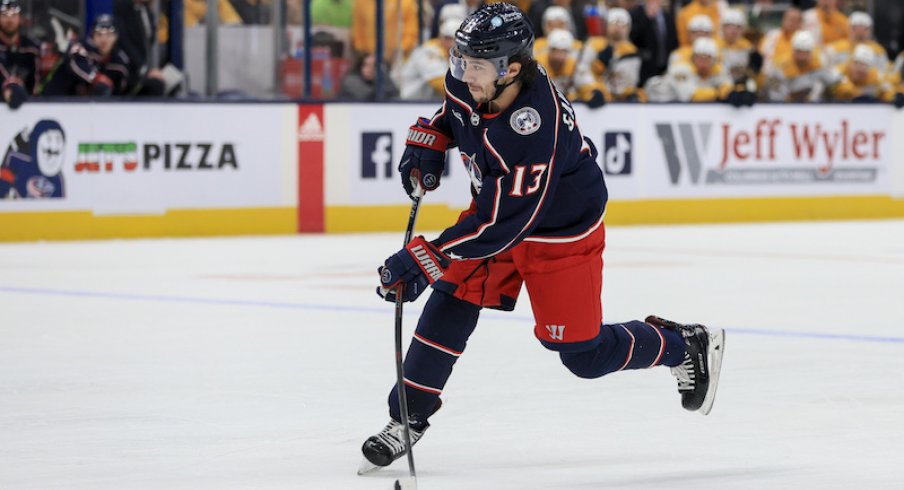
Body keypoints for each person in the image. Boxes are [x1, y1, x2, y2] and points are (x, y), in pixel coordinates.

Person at [358, 3, 725, 474]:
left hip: (558, 231)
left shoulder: (532, 127)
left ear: (511, 69)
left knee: (583, 356)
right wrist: (427, 139)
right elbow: (454, 113)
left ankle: (680, 344)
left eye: (475, 66)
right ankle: (407, 418)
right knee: (451, 298)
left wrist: (427, 256)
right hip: (498, 212)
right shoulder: (472, 77)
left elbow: (503, 224)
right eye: (461, 60)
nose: (463, 74)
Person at [762, 30, 841, 102]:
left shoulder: (819, 62)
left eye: (805, 52)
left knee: (819, 87)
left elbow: (836, 81)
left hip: (813, 106)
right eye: (799, 51)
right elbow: (775, 95)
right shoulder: (781, 66)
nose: (802, 56)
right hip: (786, 104)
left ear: (811, 52)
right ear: (793, 50)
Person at [536, 28, 608, 107]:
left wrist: (593, 92)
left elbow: (585, 82)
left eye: (563, 52)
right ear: (549, 50)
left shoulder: (574, 65)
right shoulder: (538, 64)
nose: (558, 56)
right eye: (555, 51)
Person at [583, 7, 643, 101]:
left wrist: (628, 94)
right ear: (606, 25)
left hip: (621, 100)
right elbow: (582, 72)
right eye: (614, 23)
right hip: (597, 95)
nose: (618, 28)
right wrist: (593, 89)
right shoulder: (594, 44)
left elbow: (631, 80)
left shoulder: (631, 50)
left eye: (622, 25)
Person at [399, 19, 460, 100]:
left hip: (425, 102)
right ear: (442, 38)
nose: (452, 43)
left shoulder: (451, 55)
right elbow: (439, 82)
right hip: (407, 103)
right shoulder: (428, 51)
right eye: (448, 38)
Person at [629, 0, 679, 87]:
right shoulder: (635, 14)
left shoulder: (668, 16)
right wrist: (648, 18)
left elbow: (673, 42)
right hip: (644, 68)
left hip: (665, 66)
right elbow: (633, 39)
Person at [0, 0, 39, 109]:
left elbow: (36, 85)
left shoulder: (31, 49)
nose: (9, 20)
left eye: (13, 15)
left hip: (26, 108)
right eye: (4, 15)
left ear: (20, 18)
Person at [84, 15, 134, 96]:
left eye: (109, 34)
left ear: (116, 37)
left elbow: (120, 94)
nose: (103, 40)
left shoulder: (120, 63)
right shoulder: (83, 55)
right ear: (92, 37)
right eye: (99, 34)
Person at [830, 44, 895, 103]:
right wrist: (866, 93)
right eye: (856, 63)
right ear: (850, 63)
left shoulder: (876, 76)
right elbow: (845, 91)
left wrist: (893, 98)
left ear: (869, 69)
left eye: (863, 65)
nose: (858, 68)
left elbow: (887, 89)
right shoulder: (838, 71)